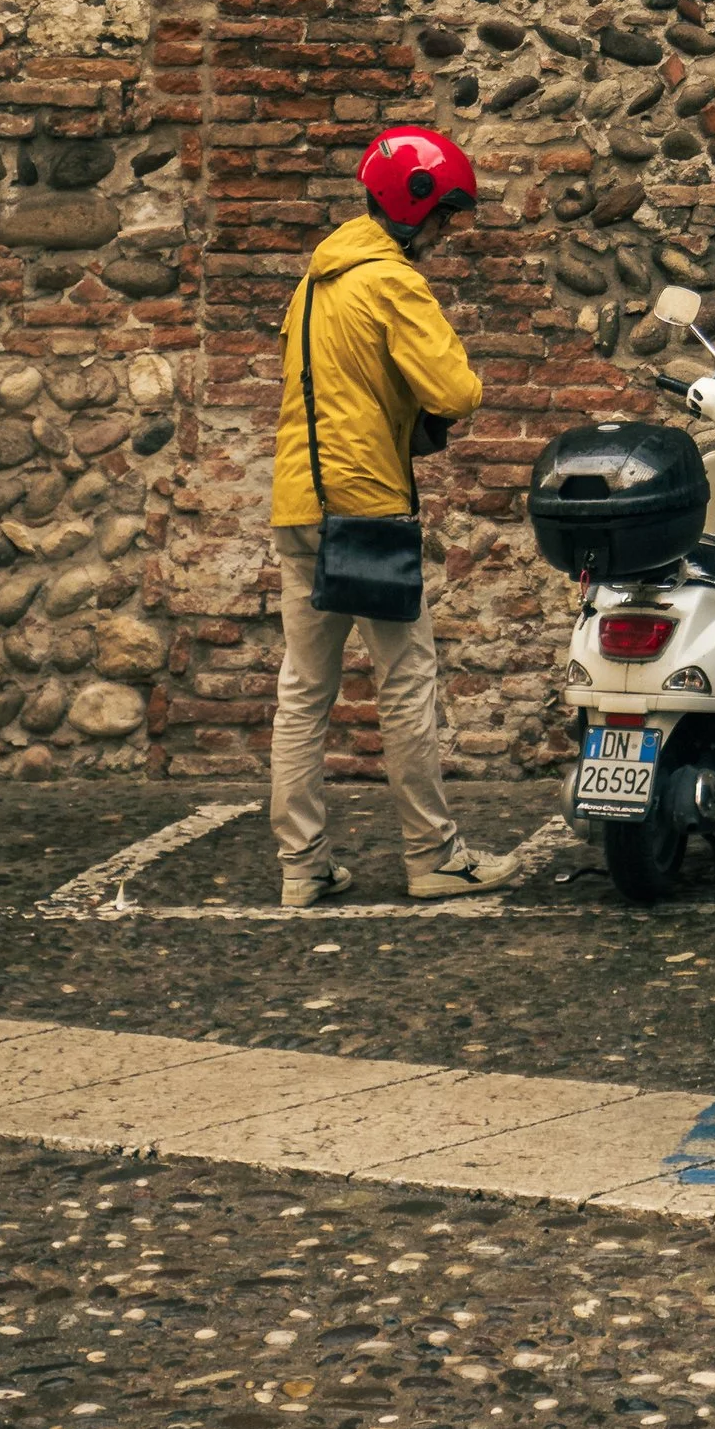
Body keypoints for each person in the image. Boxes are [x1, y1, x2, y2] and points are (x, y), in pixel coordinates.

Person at [269, 126, 513, 909]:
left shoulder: (314, 283)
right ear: (417, 206)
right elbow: (457, 389)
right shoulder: (392, 282)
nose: (443, 234)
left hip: (298, 502)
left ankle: (302, 867)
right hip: (368, 502)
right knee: (407, 679)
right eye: (443, 216)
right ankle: (432, 855)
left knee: (305, 689)